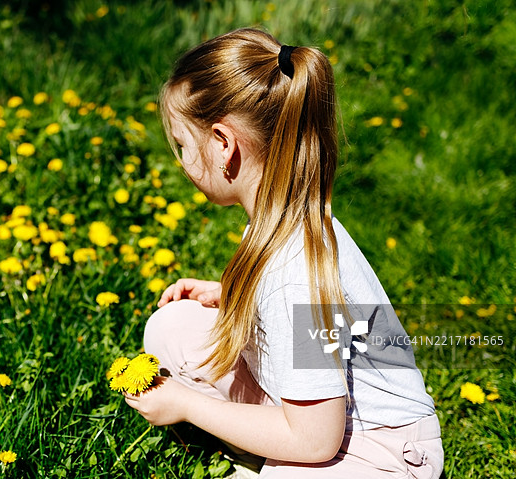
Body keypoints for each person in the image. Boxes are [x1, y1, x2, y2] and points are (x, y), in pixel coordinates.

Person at [123, 28, 443, 478]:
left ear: (222, 144)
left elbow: (316, 439)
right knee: (172, 329)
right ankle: (267, 447)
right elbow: (314, 325)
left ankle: (269, 458)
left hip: (380, 450)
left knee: (292, 451)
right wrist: (235, 297)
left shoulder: (294, 271)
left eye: (182, 146)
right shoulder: (287, 221)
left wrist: (186, 405)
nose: (180, 161)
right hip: (322, 422)